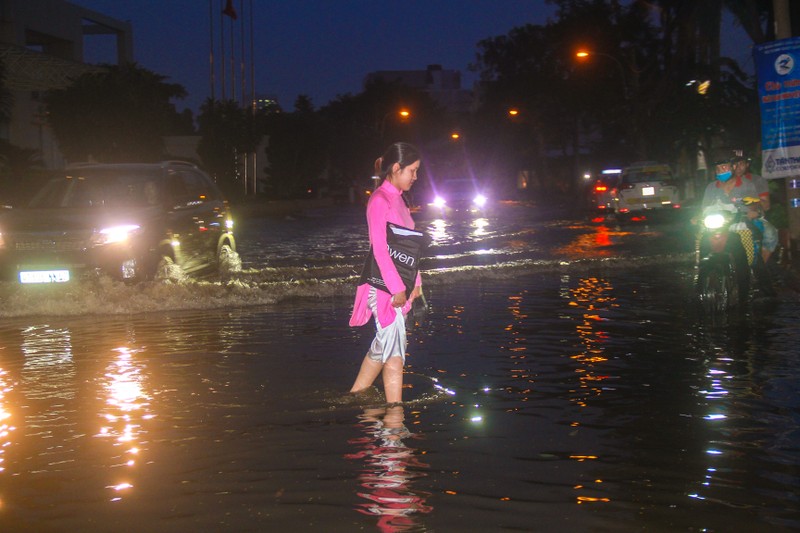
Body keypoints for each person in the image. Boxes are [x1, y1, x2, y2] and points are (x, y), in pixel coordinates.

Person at [349, 142, 423, 404]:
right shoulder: (379, 200)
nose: (415, 177)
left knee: (386, 343)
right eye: (412, 171)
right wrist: (397, 288)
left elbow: (409, 246)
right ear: (396, 168)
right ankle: (395, 416)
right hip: (383, 287)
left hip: (397, 285)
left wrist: (416, 282)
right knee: (394, 350)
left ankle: (356, 396)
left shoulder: (399, 200)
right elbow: (379, 249)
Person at [701, 158, 775, 295]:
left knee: (748, 257)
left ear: (732, 167)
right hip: (717, 226)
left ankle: (751, 291)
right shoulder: (711, 187)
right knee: (701, 243)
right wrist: (697, 218)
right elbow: (704, 208)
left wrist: (753, 210)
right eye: (718, 169)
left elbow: (756, 205)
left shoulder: (747, 185)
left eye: (724, 167)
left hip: (740, 225)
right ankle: (702, 280)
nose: (721, 171)